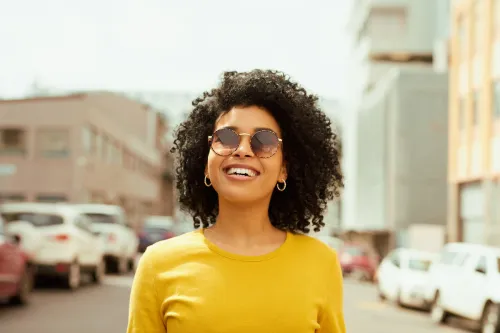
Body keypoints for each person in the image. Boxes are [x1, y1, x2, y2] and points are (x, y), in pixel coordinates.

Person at [127, 69, 345, 333]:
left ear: (284, 169)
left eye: (263, 141)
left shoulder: (320, 262)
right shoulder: (158, 264)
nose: (242, 150)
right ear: (206, 165)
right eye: (226, 138)